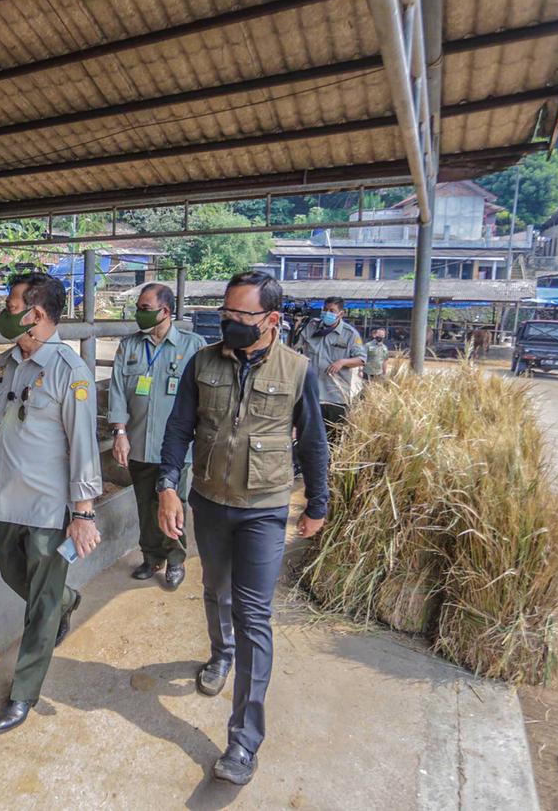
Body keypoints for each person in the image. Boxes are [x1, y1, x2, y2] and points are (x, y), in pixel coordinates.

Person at [158, 271, 329, 786]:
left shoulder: (298, 370)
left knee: (254, 616)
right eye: (224, 312)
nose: (227, 322)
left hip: (264, 508)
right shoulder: (202, 362)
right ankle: (220, 654)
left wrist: (317, 503)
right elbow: (179, 428)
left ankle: (243, 742)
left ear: (271, 319)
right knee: (216, 589)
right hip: (210, 501)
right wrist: (167, 485)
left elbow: (313, 442)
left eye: (239, 315)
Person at [0, 271, 103, 735]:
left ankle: (23, 693)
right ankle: (65, 601)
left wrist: (83, 513)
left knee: (40, 604)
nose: (3, 312)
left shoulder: (71, 372)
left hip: (50, 508)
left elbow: (83, 446)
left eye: (10, 306)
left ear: (35, 314)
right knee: (8, 566)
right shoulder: (10, 362)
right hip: (8, 497)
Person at [107, 283, 207, 589]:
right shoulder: (130, 346)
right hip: (137, 442)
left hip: (175, 448)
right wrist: (120, 432)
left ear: (165, 311)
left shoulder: (193, 345)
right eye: (138, 308)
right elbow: (117, 392)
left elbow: (204, 396)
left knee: (174, 503)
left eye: (145, 309)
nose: (139, 314)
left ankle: (175, 558)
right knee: (145, 504)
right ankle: (151, 557)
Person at [293, 296, 365, 442]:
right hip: (311, 394)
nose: (327, 313)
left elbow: (361, 359)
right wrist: (297, 325)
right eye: (325, 309)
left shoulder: (350, 334)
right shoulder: (311, 327)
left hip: (335, 397)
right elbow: (294, 348)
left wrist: (343, 362)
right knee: (307, 439)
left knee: (332, 440)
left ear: (341, 313)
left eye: (332, 311)